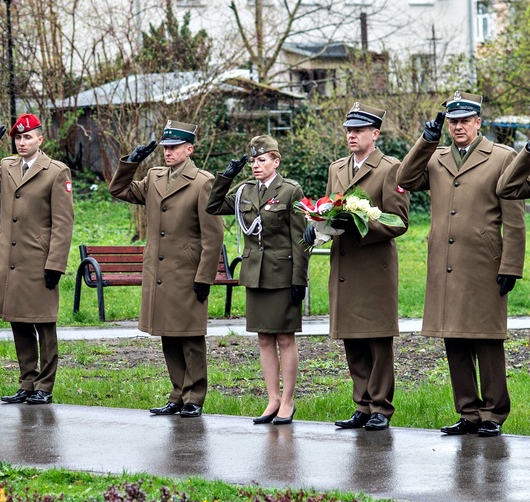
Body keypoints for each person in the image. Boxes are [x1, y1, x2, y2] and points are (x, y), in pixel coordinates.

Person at [397, 91, 525, 437]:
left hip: (485, 263)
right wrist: (426, 140)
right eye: (452, 122)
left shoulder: (501, 157)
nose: (458, 127)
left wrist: (512, 265)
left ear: (478, 122)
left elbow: (514, 217)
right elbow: (405, 180)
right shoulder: (436, 158)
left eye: (464, 121)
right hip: (446, 263)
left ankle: (494, 413)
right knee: (453, 339)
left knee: (486, 339)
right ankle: (468, 412)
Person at [109, 120, 224, 418]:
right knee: (168, 334)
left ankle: (195, 396)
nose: (168, 153)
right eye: (165, 148)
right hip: (159, 272)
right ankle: (177, 393)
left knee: (190, 336)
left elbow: (213, 236)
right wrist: (132, 161)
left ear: (189, 149)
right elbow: (119, 190)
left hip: (186, 271)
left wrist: (204, 277)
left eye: (174, 148)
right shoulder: (154, 176)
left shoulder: (202, 181)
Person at [305, 103, 409, 431]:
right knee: (352, 338)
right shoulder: (337, 167)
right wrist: (317, 225)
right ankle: (362, 405)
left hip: (374, 265)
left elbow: (399, 222)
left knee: (377, 339)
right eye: (349, 130)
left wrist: (359, 223)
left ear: (375, 134)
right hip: (345, 266)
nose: (351, 135)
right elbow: (328, 209)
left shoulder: (390, 168)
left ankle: (380, 407)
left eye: (359, 130)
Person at [0, 113, 74, 405]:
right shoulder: (8, 167)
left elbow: (63, 224)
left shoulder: (56, 171)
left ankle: (45, 386)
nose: (22, 142)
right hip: (11, 261)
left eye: (28, 137)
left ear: (40, 139)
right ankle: (27, 381)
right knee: (18, 323)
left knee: (44, 324)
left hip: (39, 261)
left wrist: (56, 265)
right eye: (18, 138)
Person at [207, 135, 307, 424]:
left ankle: (287, 401)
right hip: (255, 274)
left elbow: (300, 238)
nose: (255, 165)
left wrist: (299, 278)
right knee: (264, 338)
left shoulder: (290, 191)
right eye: (252, 161)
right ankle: (272, 399)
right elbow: (213, 206)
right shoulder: (244, 192)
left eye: (261, 160)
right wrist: (225, 177)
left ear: (276, 161)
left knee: (285, 338)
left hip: (282, 274)